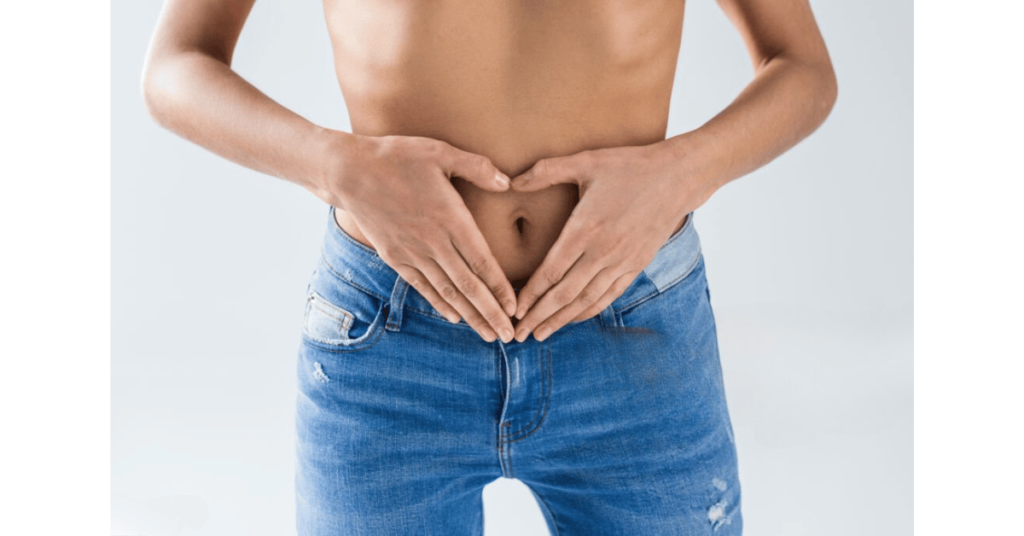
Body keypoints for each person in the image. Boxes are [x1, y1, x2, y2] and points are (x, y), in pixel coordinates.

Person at [142, 0, 836, 534]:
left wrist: (684, 172)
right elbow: (175, 66)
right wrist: (336, 166)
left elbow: (801, 66)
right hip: (389, 343)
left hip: (633, 336)